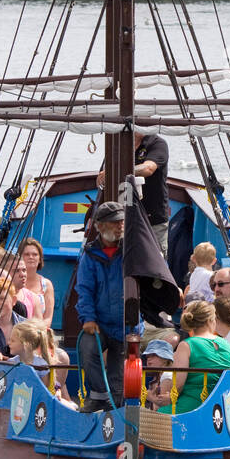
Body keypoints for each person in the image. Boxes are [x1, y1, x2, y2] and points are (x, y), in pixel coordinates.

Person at [75, 201, 127, 412]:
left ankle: (115, 409)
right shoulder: (90, 256)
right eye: (115, 222)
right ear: (101, 226)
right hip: (101, 324)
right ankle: (97, 396)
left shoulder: (133, 250)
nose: (120, 226)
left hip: (127, 325)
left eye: (122, 221)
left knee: (119, 373)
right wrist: (88, 319)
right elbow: (84, 290)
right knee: (87, 348)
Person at [158, 300, 230, 415]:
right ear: (210, 320)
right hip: (222, 406)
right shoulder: (227, 344)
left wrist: (169, 398)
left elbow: (178, 384)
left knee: (159, 414)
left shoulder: (187, 345)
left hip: (195, 405)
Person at [132, 131, 170, 255]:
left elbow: (148, 168)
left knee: (157, 260)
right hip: (125, 218)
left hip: (153, 218)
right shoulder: (121, 143)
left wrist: (121, 169)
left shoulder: (157, 144)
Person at [20, 237, 55, 325]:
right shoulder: (11, 281)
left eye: (35, 254)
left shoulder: (46, 284)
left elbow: (48, 318)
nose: (31, 257)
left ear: (40, 259)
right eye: (26, 254)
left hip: (38, 333)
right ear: (20, 257)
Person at [142, 335, 176, 409]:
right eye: (147, 357)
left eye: (153, 355)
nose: (149, 360)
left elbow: (164, 405)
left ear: (165, 359)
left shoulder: (167, 375)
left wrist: (150, 397)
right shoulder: (158, 375)